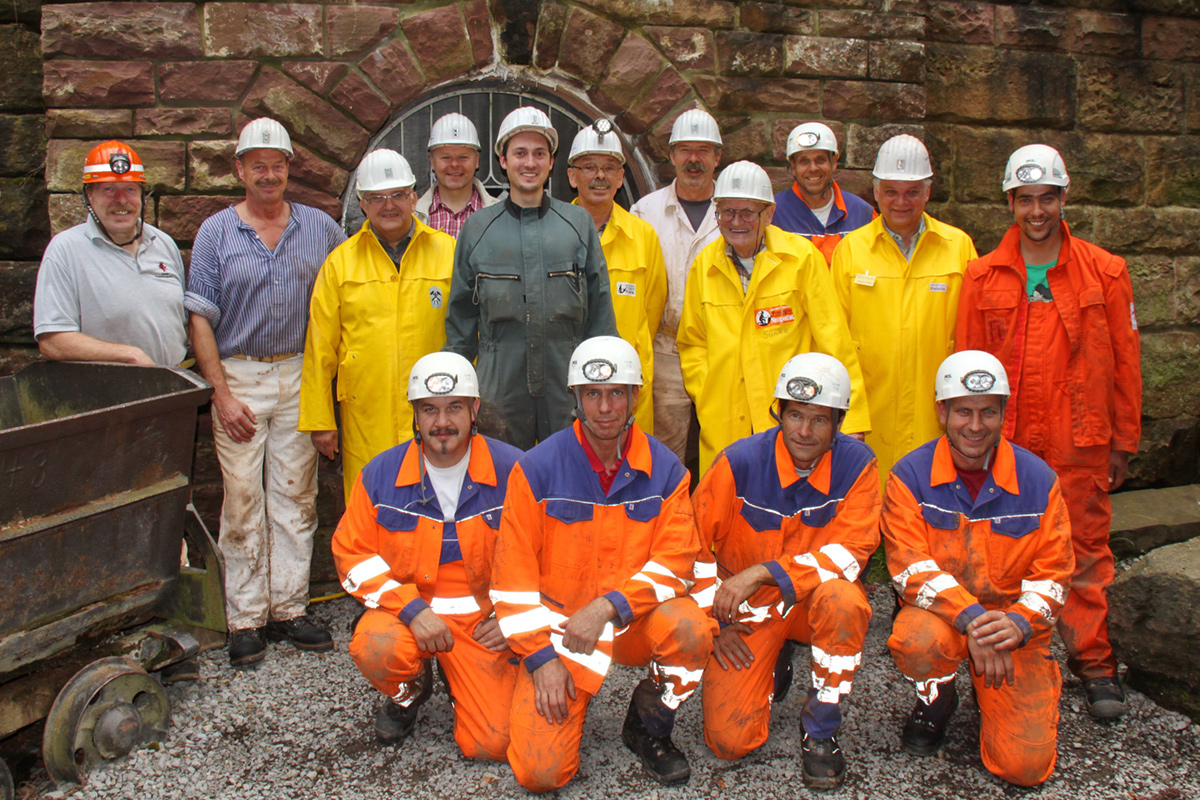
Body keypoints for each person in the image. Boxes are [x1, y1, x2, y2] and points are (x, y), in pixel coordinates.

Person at [955, 144, 1142, 719]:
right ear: (1010, 202)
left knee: (1084, 552)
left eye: (1047, 198)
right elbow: (965, 366)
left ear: (1064, 198)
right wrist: (971, 442)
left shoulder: (1106, 271)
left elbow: (1127, 362)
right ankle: (1001, 653)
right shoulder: (982, 275)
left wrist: (1123, 442)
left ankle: (1094, 661)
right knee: (1002, 548)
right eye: (1025, 199)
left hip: (1078, 437)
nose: (1036, 211)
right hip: (1006, 438)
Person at [491, 336, 715, 792]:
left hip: (634, 621)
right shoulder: (537, 468)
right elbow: (512, 579)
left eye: (617, 393)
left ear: (636, 397)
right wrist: (540, 659)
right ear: (575, 397)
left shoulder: (666, 470)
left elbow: (678, 562)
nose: (606, 407)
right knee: (540, 773)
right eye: (593, 393)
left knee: (690, 630)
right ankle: (569, 695)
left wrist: (608, 606)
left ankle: (649, 722)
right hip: (562, 633)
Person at [186, 117, 346, 667]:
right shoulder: (216, 233)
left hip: (301, 373)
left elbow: (342, 300)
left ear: (288, 169)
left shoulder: (320, 228)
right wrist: (221, 394)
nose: (269, 174)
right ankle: (245, 618)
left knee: (296, 497)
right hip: (241, 375)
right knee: (241, 500)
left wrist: (328, 392)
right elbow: (200, 318)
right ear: (240, 169)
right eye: (259, 165)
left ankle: (289, 609)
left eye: (278, 165)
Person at [882, 351, 1074, 787]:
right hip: (944, 617)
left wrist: (1019, 624)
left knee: (1024, 767)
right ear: (942, 412)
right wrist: (973, 621)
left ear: (1004, 412)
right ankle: (938, 696)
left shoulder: (1038, 479)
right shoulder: (909, 475)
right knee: (916, 641)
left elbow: (1056, 573)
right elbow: (909, 568)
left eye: (988, 411)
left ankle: (1006, 694)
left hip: (1013, 628)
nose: (975, 425)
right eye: (963, 411)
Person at [692, 353, 879, 789]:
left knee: (845, 601)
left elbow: (852, 552)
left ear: (839, 423)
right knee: (729, 741)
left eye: (819, 420)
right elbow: (689, 545)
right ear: (779, 413)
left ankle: (822, 728)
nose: (804, 431)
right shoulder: (739, 462)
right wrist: (713, 623)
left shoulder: (858, 466)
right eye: (795, 415)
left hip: (815, 601)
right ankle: (775, 656)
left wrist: (764, 572)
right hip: (749, 612)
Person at [332, 352, 523, 759]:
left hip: (483, 621)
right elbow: (351, 554)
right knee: (376, 645)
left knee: (494, 743)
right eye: (429, 410)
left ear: (474, 410)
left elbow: (547, 555)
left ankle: (460, 676)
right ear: (415, 415)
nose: (442, 422)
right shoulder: (381, 475)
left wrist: (514, 617)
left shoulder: (515, 471)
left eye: (454, 407)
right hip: (409, 613)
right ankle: (410, 689)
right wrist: (411, 610)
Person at [676, 160, 869, 474]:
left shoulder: (801, 259)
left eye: (747, 212)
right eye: (727, 211)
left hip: (793, 421)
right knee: (726, 496)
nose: (736, 222)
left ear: (769, 213)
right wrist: (708, 390)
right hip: (724, 419)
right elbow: (692, 342)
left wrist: (853, 416)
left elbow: (834, 340)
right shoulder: (704, 266)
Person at [444, 106, 617, 450]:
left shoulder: (577, 225)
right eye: (520, 153)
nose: (530, 163)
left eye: (539, 154)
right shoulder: (477, 229)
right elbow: (460, 326)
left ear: (551, 162)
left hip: (567, 389)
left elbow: (601, 317)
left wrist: (605, 388)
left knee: (568, 473)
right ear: (502, 161)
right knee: (502, 475)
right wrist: (455, 396)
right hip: (499, 394)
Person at [300, 149, 456, 504]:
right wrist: (320, 420)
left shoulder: (448, 252)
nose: (389, 205)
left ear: (414, 197)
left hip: (436, 410)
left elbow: (471, 334)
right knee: (370, 504)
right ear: (361, 203)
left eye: (398, 194)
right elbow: (320, 347)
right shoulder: (340, 263)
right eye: (376, 197)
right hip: (366, 416)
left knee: (438, 505)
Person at [830, 134, 978, 485]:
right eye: (891, 191)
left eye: (912, 191)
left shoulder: (958, 247)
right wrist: (849, 417)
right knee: (868, 503)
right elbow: (834, 341)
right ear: (875, 192)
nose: (901, 201)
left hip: (935, 418)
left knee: (932, 501)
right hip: (870, 420)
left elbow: (972, 338)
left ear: (928, 192)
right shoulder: (851, 251)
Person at [34, 140, 187, 366]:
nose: (121, 200)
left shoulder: (163, 243)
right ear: (89, 195)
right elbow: (52, 341)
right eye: (109, 189)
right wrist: (129, 355)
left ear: (142, 195)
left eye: (130, 189)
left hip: (174, 382)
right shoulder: (66, 249)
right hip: (108, 386)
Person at [629, 108, 724, 462]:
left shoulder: (736, 210)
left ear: (717, 157)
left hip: (722, 349)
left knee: (725, 448)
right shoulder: (645, 213)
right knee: (664, 453)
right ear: (671, 156)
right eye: (685, 150)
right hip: (665, 350)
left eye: (703, 150)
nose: (693, 159)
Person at [567, 119, 668, 433]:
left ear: (621, 177)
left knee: (628, 457)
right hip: (568, 379)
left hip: (626, 381)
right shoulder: (554, 232)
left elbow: (652, 310)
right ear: (571, 176)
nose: (600, 176)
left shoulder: (642, 236)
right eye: (589, 167)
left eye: (609, 168)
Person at [771, 123, 875, 264]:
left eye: (820, 160)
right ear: (793, 167)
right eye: (804, 161)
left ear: (834, 163)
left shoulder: (863, 214)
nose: (813, 168)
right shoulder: (772, 215)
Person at [413, 112, 500, 238]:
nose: (454, 164)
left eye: (463, 157)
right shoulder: (412, 217)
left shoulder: (501, 215)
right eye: (446, 157)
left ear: (476, 161)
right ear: (432, 162)